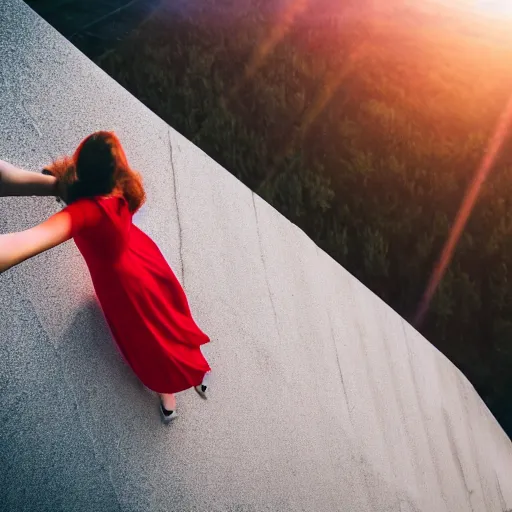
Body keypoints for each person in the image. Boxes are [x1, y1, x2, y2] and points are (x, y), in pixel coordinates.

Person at [0, 131, 211, 424]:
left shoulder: (114, 186)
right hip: (124, 287)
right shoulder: (86, 209)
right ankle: (169, 386)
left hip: (143, 257)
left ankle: (195, 368)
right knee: (152, 340)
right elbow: (28, 241)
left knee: (173, 317)